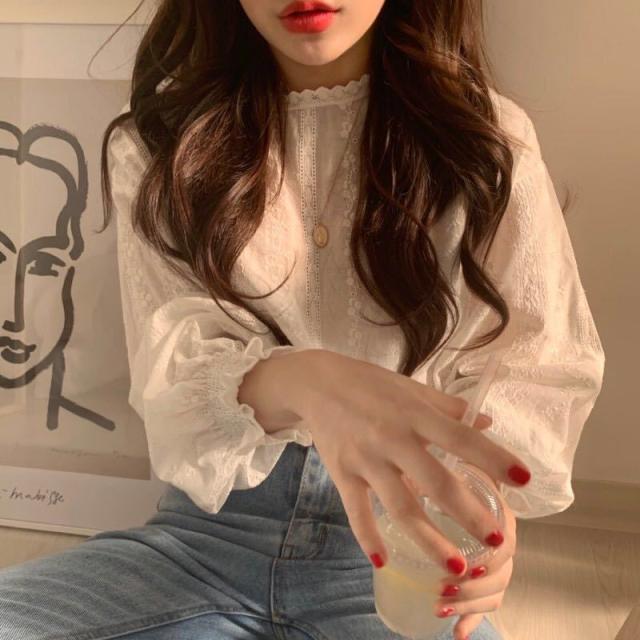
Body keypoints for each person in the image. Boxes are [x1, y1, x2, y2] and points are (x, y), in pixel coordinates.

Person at [0, 1, 605, 639]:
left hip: (402, 552)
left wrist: (481, 507)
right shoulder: (159, 142)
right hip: (199, 546)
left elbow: (537, 366)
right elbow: (170, 373)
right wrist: (308, 381)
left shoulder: (488, 142)